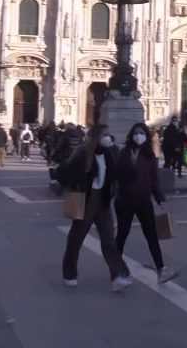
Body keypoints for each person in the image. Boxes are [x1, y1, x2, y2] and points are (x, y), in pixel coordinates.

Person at [60, 125, 131, 291]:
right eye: (105, 135)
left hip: (103, 201)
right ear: (96, 137)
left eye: (109, 134)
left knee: (108, 241)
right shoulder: (82, 154)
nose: (109, 138)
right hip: (85, 200)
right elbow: (65, 172)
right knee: (76, 239)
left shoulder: (109, 153)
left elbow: (115, 175)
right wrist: (77, 182)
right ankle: (69, 273)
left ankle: (119, 275)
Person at [114, 122, 179, 284]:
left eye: (141, 133)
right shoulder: (124, 153)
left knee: (151, 236)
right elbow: (117, 174)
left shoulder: (150, 155)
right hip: (125, 199)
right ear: (131, 135)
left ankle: (161, 270)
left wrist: (160, 199)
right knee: (122, 234)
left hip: (143, 200)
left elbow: (154, 180)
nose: (138, 136)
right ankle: (114, 268)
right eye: (136, 133)